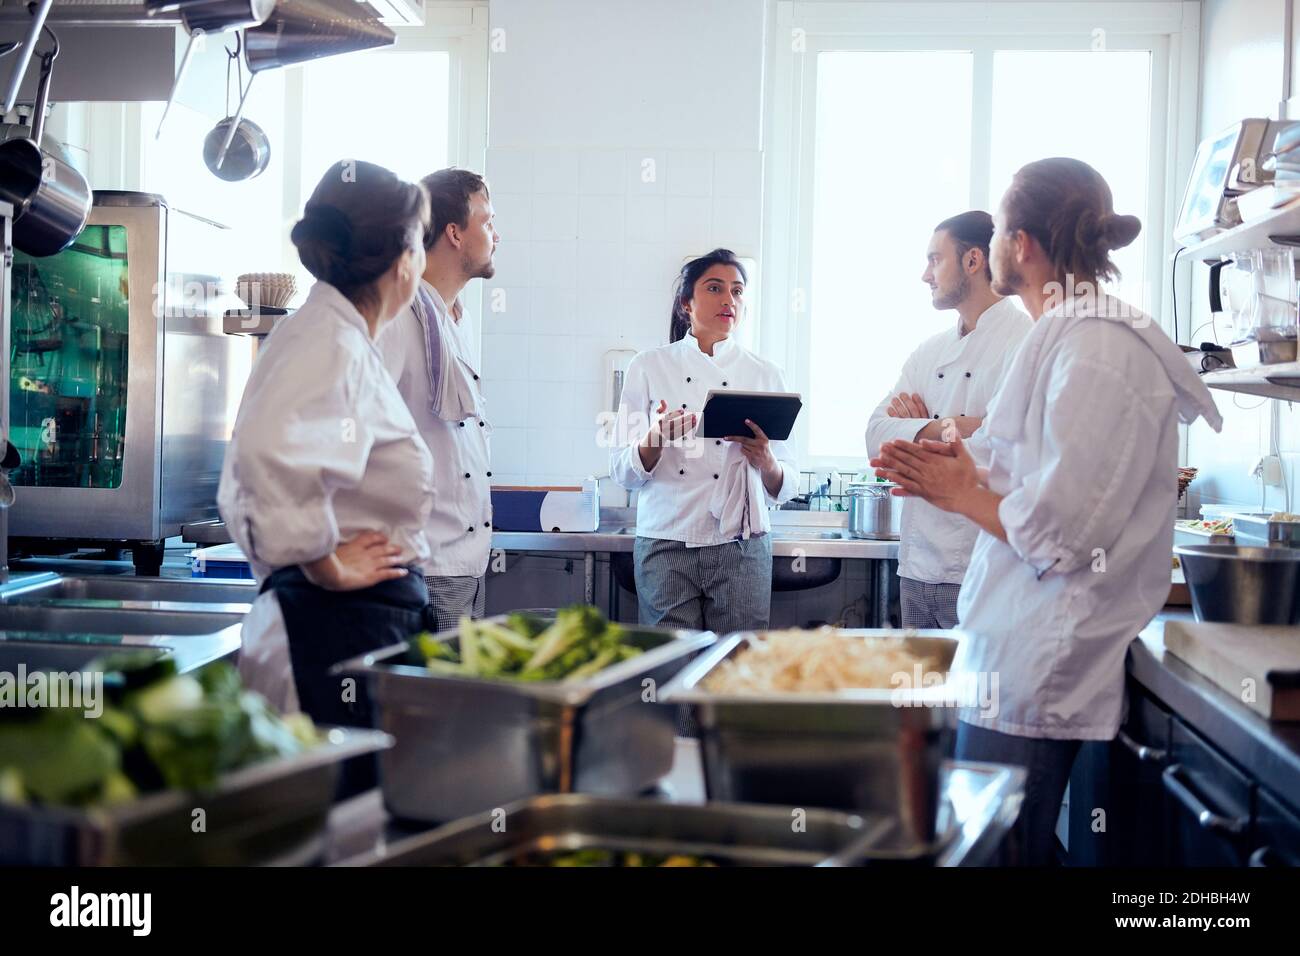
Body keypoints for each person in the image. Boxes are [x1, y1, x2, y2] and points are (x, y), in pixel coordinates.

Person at [871, 158, 1222, 865]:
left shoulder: (1098, 351)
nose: (995, 240)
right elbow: (1011, 471)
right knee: (994, 849)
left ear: (1021, 244)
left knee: (1006, 855)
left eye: (999, 227)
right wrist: (959, 474)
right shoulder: (1059, 336)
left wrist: (959, 493)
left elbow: (1064, 532)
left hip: (1043, 657)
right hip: (1010, 642)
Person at [218, 160, 434, 727]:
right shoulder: (328, 340)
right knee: (333, 808)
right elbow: (269, 451)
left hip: (350, 623)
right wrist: (327, 568)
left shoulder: (337, 335)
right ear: (404, 260)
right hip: (329, 622)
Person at [609, 249, 798, 634]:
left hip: (740, 545)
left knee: (736, 669)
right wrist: (656, 436)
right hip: (666, 540)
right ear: (686, 303)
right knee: (670, 665)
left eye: (738, 291)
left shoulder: (766, 374)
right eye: (715, 288)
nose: (729, 299)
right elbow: (622, 473)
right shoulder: (647, 366)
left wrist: (766, 459)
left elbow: (786, 484)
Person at [865, 211, 1031, 628]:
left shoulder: (1025, 341)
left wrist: (917, 435)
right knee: (919, 690)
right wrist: (952, 425)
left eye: (935, 259)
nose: (925, 274)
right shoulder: (929, 351)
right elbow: (875, 437)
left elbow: (1003, 448)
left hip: (980, 561)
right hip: (917, 563)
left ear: (973, 261)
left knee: (976, 690)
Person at [376, 168, 498, 630]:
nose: (495, 235)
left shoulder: (455, 319)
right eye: (486, 222)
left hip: (466, 562)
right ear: (454, 233)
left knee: (459, 700)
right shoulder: (394, 315)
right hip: (420, 564)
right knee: (425, 700)